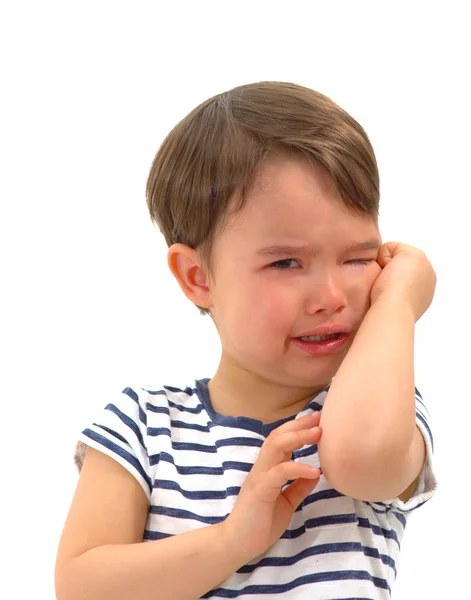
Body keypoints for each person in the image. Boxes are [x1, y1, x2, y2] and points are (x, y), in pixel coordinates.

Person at [55, 81, 438, 600]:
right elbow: (82, 589)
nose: (330, 295)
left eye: (358, 258)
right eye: (285, 262)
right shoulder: (143, 423)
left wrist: (397, 305)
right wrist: (234, 540)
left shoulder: (374, 407)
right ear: (198, 277)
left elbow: (362, 461)